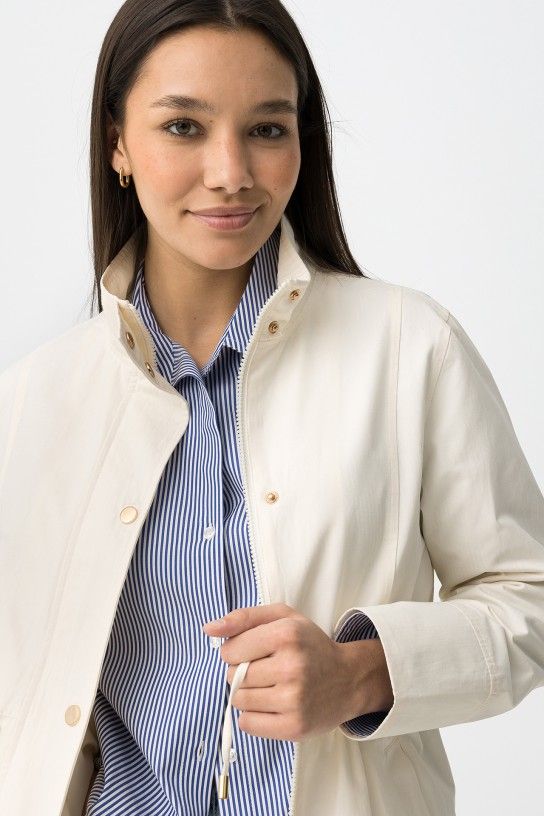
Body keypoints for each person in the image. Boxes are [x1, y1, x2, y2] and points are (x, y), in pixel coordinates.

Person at [1, 1, 543, 815]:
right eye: (183, 127)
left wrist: (361, 673)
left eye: (266, 129)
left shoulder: (408, 347)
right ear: (117, 143)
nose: (231, 172)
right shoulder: (34, 402)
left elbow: (528, 592)